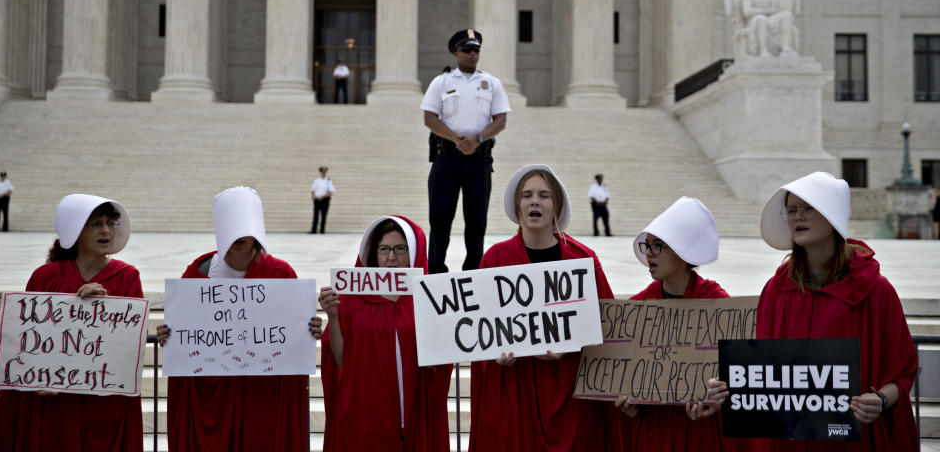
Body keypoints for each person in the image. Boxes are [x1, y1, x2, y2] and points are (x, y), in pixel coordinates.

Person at [705, 171, 919, 451]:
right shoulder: (775, 290)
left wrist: (880, 400)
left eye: (808, 208)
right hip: (788, 441)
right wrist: (730, 384)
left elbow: (902, 371)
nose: (797, 217)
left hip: (853, 441)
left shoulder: (876, 291)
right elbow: (764, 370)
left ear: (832, 218)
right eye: (792, 210)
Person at [157, 186, 317, 452]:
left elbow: (293, 329)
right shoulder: (199, 272)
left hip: (262, 391)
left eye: (246, 228)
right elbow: (185, 330)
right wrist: (169, 336)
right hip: (212, 389)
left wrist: (309, 328)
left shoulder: (280, 273)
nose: (239, 236)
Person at [469, 164, 614, 451]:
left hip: (572, 395)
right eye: (527, 195)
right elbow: (476, 333)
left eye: (544, 195)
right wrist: (495, 355)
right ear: (517, 205)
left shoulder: (583, 259)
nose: (535, 201)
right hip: (514, 391)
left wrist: (573, 346)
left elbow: (609, 328)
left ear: (556, 205)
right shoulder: (494, 260)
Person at [0, 194, 143, 451]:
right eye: (95, 224)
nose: (106, 230)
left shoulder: (127, 277)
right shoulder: (45, 276)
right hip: (53, 403)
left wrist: (104, 309)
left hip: (103, 403)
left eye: (109, 223)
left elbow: (130, 341)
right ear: (76, 230)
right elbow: (26, 336)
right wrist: (34, 380)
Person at [614, 196, 744, 451]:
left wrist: (718, 396)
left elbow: (738, 376)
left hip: (702, 433)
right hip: (654, 432)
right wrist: (630, 404)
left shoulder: (717, 303)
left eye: (658, 245)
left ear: (684, 252)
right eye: (647, 245)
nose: (649, 253)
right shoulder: (638, 306)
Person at [317, 215, 452, 451]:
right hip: (367, 419)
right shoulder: (350, 299)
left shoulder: (430, 296)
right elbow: (342, 361)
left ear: (414, 253)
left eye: (400, 249)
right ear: (373, 253)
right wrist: (333, 316)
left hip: (416, 414)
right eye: (384, 249)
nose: (391, 257)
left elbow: (441, 359)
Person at [422, 29, 511, 272]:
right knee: (440, 221)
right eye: (467, 50)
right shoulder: (442, 82)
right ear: (455, 53)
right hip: (447, 158)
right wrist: (456, 138)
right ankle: (435, 271)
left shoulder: (491, 83)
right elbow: (429, 117)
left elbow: (500, 120)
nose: (473, 54)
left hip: (478, 160)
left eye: (476, 50)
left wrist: (478, 138)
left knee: (476, 223)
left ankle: (473, 272)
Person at [311, 166, 335, 234]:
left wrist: (323, 196)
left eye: (324, 172)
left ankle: (322, 230)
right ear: (320, 173)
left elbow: (331, 192)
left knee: (323, 215)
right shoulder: (316, 181)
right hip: (317, 200)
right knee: (315, 215)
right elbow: (313, 190)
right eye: (322, 172)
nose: (323, 173)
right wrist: (313, 196)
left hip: (324, 200)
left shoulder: (328, 181)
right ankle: (314, 229)